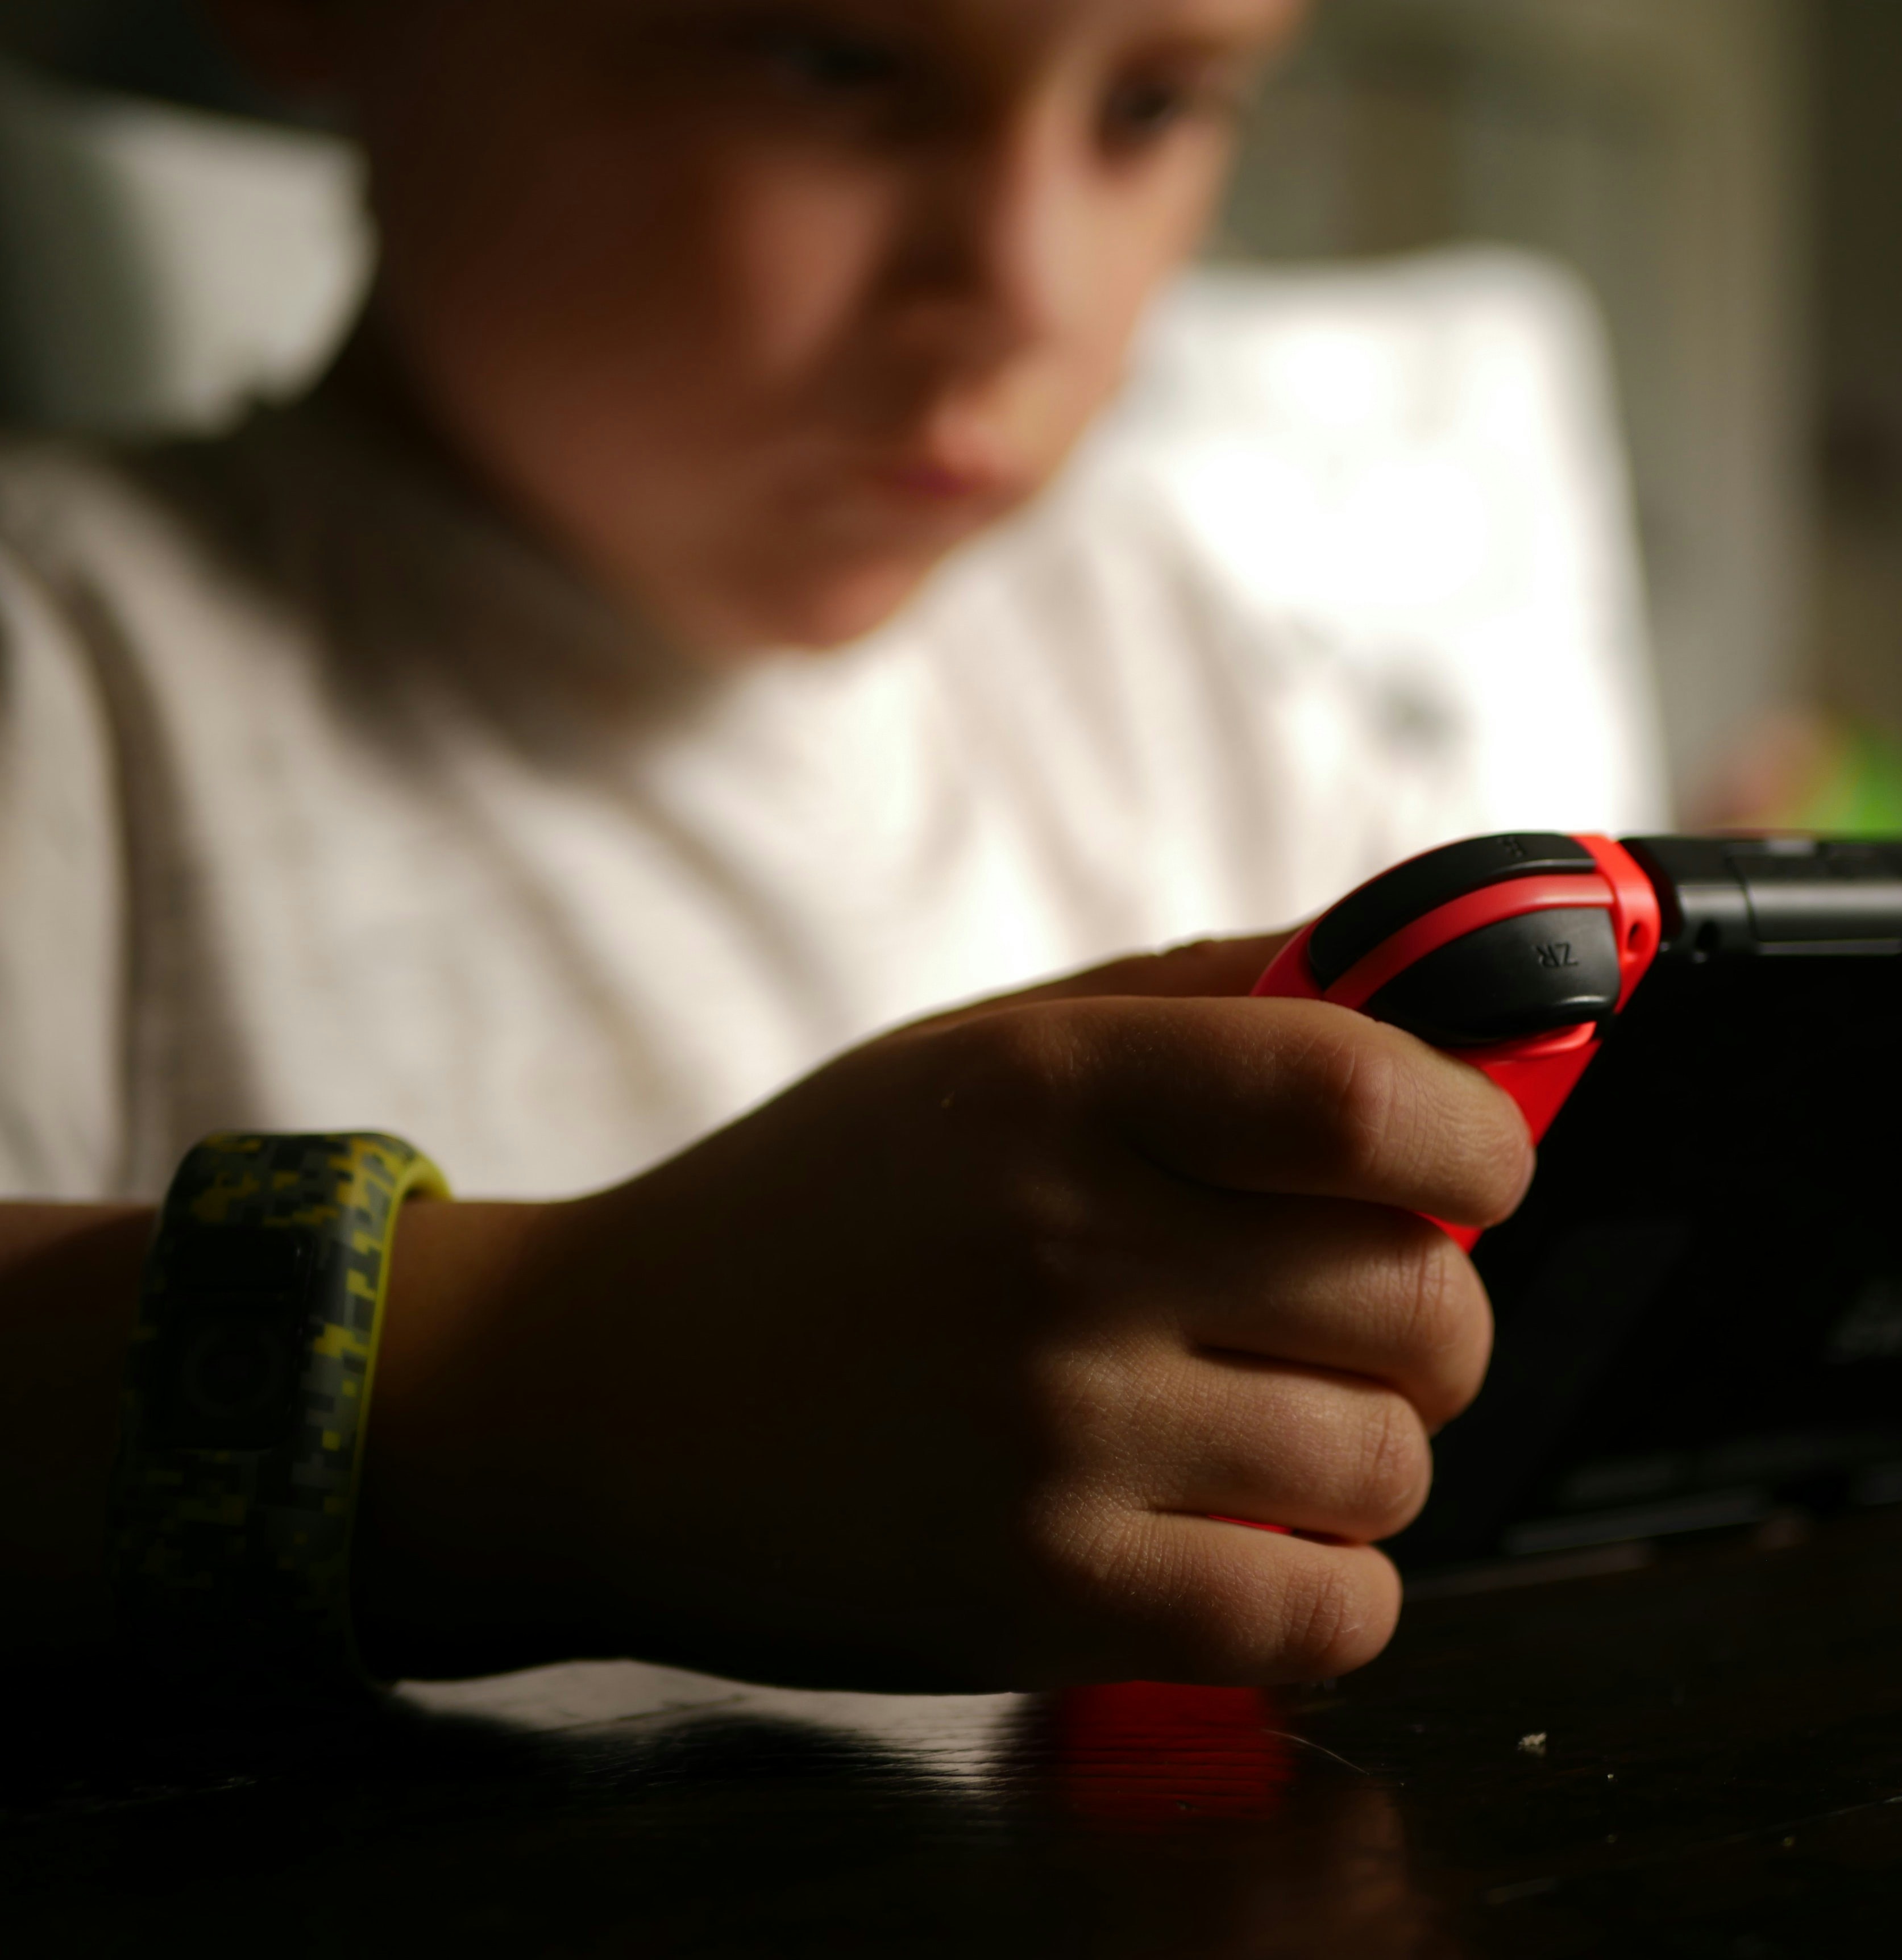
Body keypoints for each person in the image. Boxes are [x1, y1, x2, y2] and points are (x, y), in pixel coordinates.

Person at [0, 0, 1562, 1692]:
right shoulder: (61, 662)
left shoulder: (1158, 656)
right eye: (835, 61)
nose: (1025, 289)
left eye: (1154, 106)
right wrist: (543, 1397)